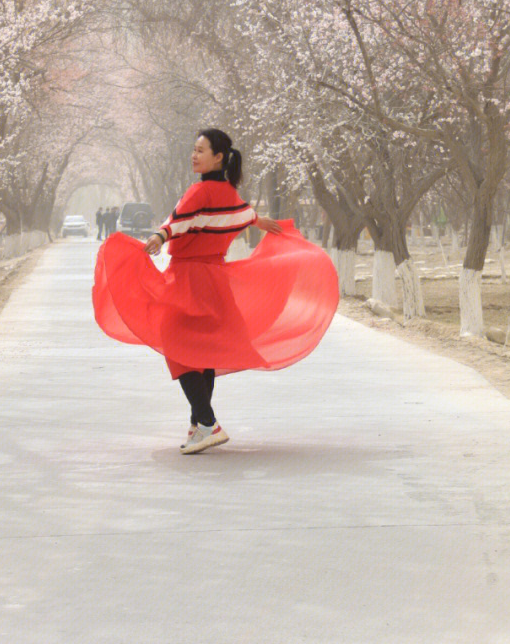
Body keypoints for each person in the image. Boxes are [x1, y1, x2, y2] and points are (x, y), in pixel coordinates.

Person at [92, 128, 339, 454]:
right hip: (216, 282)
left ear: (218, 157)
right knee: (202, 353)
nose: (194, 155)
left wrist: (159, 237)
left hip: (189, 279)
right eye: (193, 149)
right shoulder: (229, 193)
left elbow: (179, 221)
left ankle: (208, 422)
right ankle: (199, 424)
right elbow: (240, 215)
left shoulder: (200, 191)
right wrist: (260, 220)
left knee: (179, 348)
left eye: (200, 150)